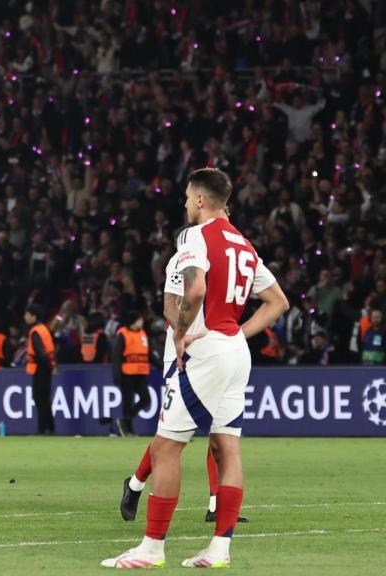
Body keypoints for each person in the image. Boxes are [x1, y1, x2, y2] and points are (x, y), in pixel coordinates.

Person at [102, 168, 288, 569]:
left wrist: (183, 332)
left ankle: (151, 549)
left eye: (188, 197)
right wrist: (239, 332)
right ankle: (219, 549)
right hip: (236, 352)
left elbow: (197, 288)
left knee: (167, 446)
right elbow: (277, 302)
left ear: (202, 200)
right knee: (227, 448)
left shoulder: (194, 237)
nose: (185, 204)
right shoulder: (244, 244)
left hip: (203, 353)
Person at [120, 235, 250, 525]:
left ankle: (216, 505)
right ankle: (135, 484)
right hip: (182, 355)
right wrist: (182, 334)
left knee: (220, 431)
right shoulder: (183, 258)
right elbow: (171, 306)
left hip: (216, 356)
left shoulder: (224, 259)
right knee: (171, 435)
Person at [111, 311, 151, 435]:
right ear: (134, 321)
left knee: (145, 399)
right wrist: (116, 374)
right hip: (127, 373)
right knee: (128, 402)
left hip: (141, 373)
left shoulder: (143, 334)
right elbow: (116, 356)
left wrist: (161, 364)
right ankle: (128, 429)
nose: (142, 322)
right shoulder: (123, 334)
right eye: (140, 320)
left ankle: (125, 420)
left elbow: (149, 354)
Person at [25, 304, 57, 435]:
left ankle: (42, 429)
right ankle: (50, 428)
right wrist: (52, 366)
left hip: (40, 368)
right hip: (46, 367)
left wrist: (49, 366)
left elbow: (41, 353)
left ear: (34, 316)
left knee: (39, 399)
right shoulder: (44, 329)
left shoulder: (35, 332)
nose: (25, 317)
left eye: (27, 314)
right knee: (45, 399)